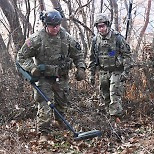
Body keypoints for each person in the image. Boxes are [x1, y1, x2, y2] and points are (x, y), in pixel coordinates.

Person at [16, 9, 86, 141]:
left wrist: (81, 68)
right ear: (45, 25)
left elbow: (78, 54)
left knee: (62, 102)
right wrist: (32, 68)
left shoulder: (66, 37)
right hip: (44, 78)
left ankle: (60, 122)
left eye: (58, 25)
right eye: (52, 26)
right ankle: (44, 132)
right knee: (44, 104)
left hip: (61, 76)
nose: (55, 28)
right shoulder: (37, 39)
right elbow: (21, 57)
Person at [89, 13, 132, 122]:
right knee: (105, 94)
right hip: (103, 71)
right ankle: (109, 115)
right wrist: (92, 75)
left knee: (114, 93)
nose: (101, 29)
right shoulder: (95, 40)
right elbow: (92, 58)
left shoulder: (117, 38)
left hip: (116, 71)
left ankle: (115, 117)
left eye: (103, 26)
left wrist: (126, 72)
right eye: (99, 26)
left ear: (107, 25)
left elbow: (127, 55)